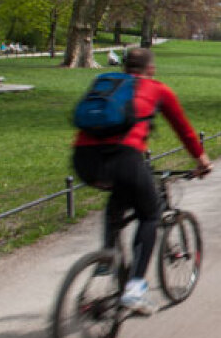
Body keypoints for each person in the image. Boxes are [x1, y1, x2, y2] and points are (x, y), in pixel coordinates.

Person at [72, 48, 212, 315]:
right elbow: (184, 129)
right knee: (150, 214)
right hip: (124, 158)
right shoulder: (157, 89)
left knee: (118, 201)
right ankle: (135, 290)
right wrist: (203, 161)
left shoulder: (106, 83)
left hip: (84, 160)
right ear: (151, 68)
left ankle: (107, 261)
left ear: (125, 67)